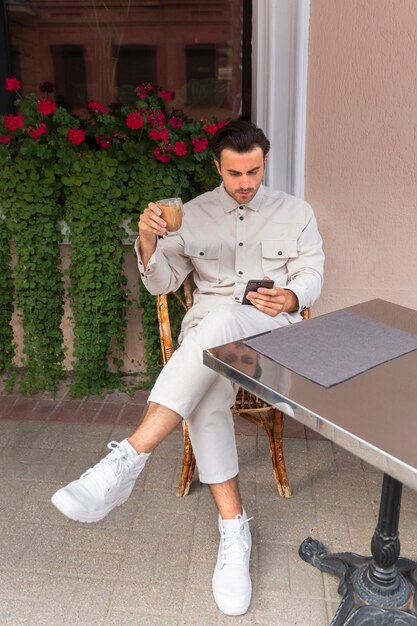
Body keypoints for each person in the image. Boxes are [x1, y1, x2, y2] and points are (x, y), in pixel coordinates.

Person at [51, 120, 324, 616]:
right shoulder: (190, 215)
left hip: (269, 337)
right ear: (217, 166)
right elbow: (161, 284)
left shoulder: (295, 212)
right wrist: (147, 240)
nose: (246, 183)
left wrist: (291, 294)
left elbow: (311, 273)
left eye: (255, 171)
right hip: (210, 342)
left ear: (265, 163)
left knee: (212, 326)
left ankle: (127, 459)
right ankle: (233, 529)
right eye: (235, 173)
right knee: (204, 385)